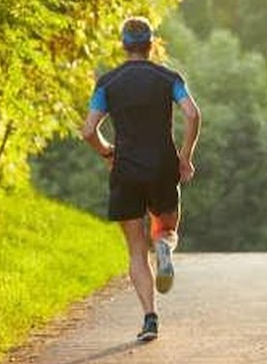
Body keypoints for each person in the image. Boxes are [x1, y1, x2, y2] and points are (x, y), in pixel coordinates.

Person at [81, 17, 201, 342]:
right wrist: (185, 157)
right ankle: (164, 247)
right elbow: (192, 114)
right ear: (150, 44)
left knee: (136, 250)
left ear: (124, 44)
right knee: (167, 229)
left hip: (126, 171)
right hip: (163, 167)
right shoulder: (168, 78)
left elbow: (89, 131)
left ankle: (150, 318)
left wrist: (107, 152)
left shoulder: (108, 83)